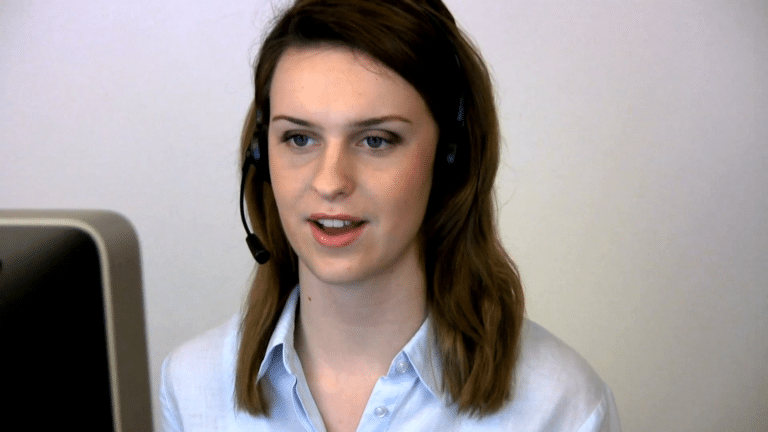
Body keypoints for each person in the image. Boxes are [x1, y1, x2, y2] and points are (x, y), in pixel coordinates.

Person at [160, 0, 622, 430]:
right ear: (260, 155)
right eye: (300, 138)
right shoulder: (191, 387)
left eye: (375, 140)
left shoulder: (559, 407)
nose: (330, 181)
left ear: (450, 156)